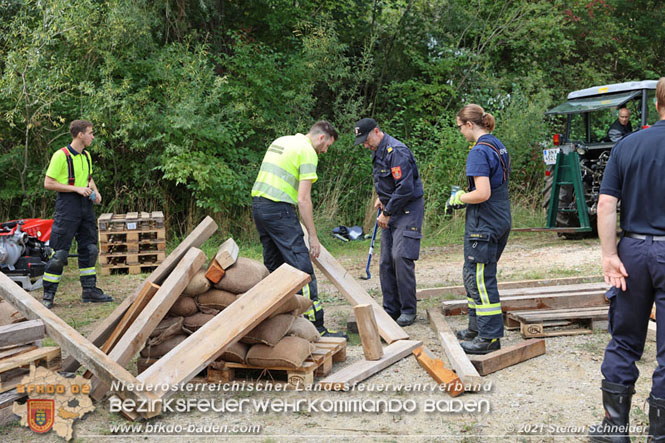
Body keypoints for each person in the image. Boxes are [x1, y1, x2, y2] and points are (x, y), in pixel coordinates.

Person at [588, 78, 665, 442]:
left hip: (633, 250)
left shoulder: (629, 144)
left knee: (624, 340)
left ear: (657, 104)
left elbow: (606, 204)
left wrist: (608, 255)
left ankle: (615, 430)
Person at [251, 121, 345, 338]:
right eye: (327, 145)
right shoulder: (307, 152)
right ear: (321, 137)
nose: (325, 150)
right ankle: (316, 327)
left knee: (275, 267)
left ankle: (278, 322)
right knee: (301, 269)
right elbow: (303, 199)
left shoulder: (282, 141)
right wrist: (313, 236)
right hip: (279, 210)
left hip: (259, 207)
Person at [449, 104, 511, 355]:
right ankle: (475, 328)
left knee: (481, 279)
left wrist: (460, 198)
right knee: (472, 274)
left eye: (460, 127)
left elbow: (482, 192)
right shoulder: (497, 145)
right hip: (499, 217)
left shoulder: (478, 152)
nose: (460, 132)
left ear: (469, 124)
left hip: (484, 224)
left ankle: (489, 337)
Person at [354, 118, 424, 327]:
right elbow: (386, 181)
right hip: (391, 207)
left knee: (400, 257)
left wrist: (387, 210)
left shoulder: (397, 151)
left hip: (408, 208)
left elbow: (405, 187)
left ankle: (408, 310)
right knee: (386, 262)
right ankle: (390, 309)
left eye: (367, 140)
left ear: (376, 131)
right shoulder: (378, 151)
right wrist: (381, 198)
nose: (366, 146)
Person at [42, 120, 112, 309]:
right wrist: (75, 189)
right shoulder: (60, 156)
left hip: (85, 208)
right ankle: (48, 295)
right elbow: (48, 183)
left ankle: (89, 292)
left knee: (90, 250)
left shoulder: (86, 156)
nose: (92, 136)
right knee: (59, 254)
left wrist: (95, 192)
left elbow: (89, 178)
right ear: (80, 135)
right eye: (90, 133)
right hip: (67, 207)